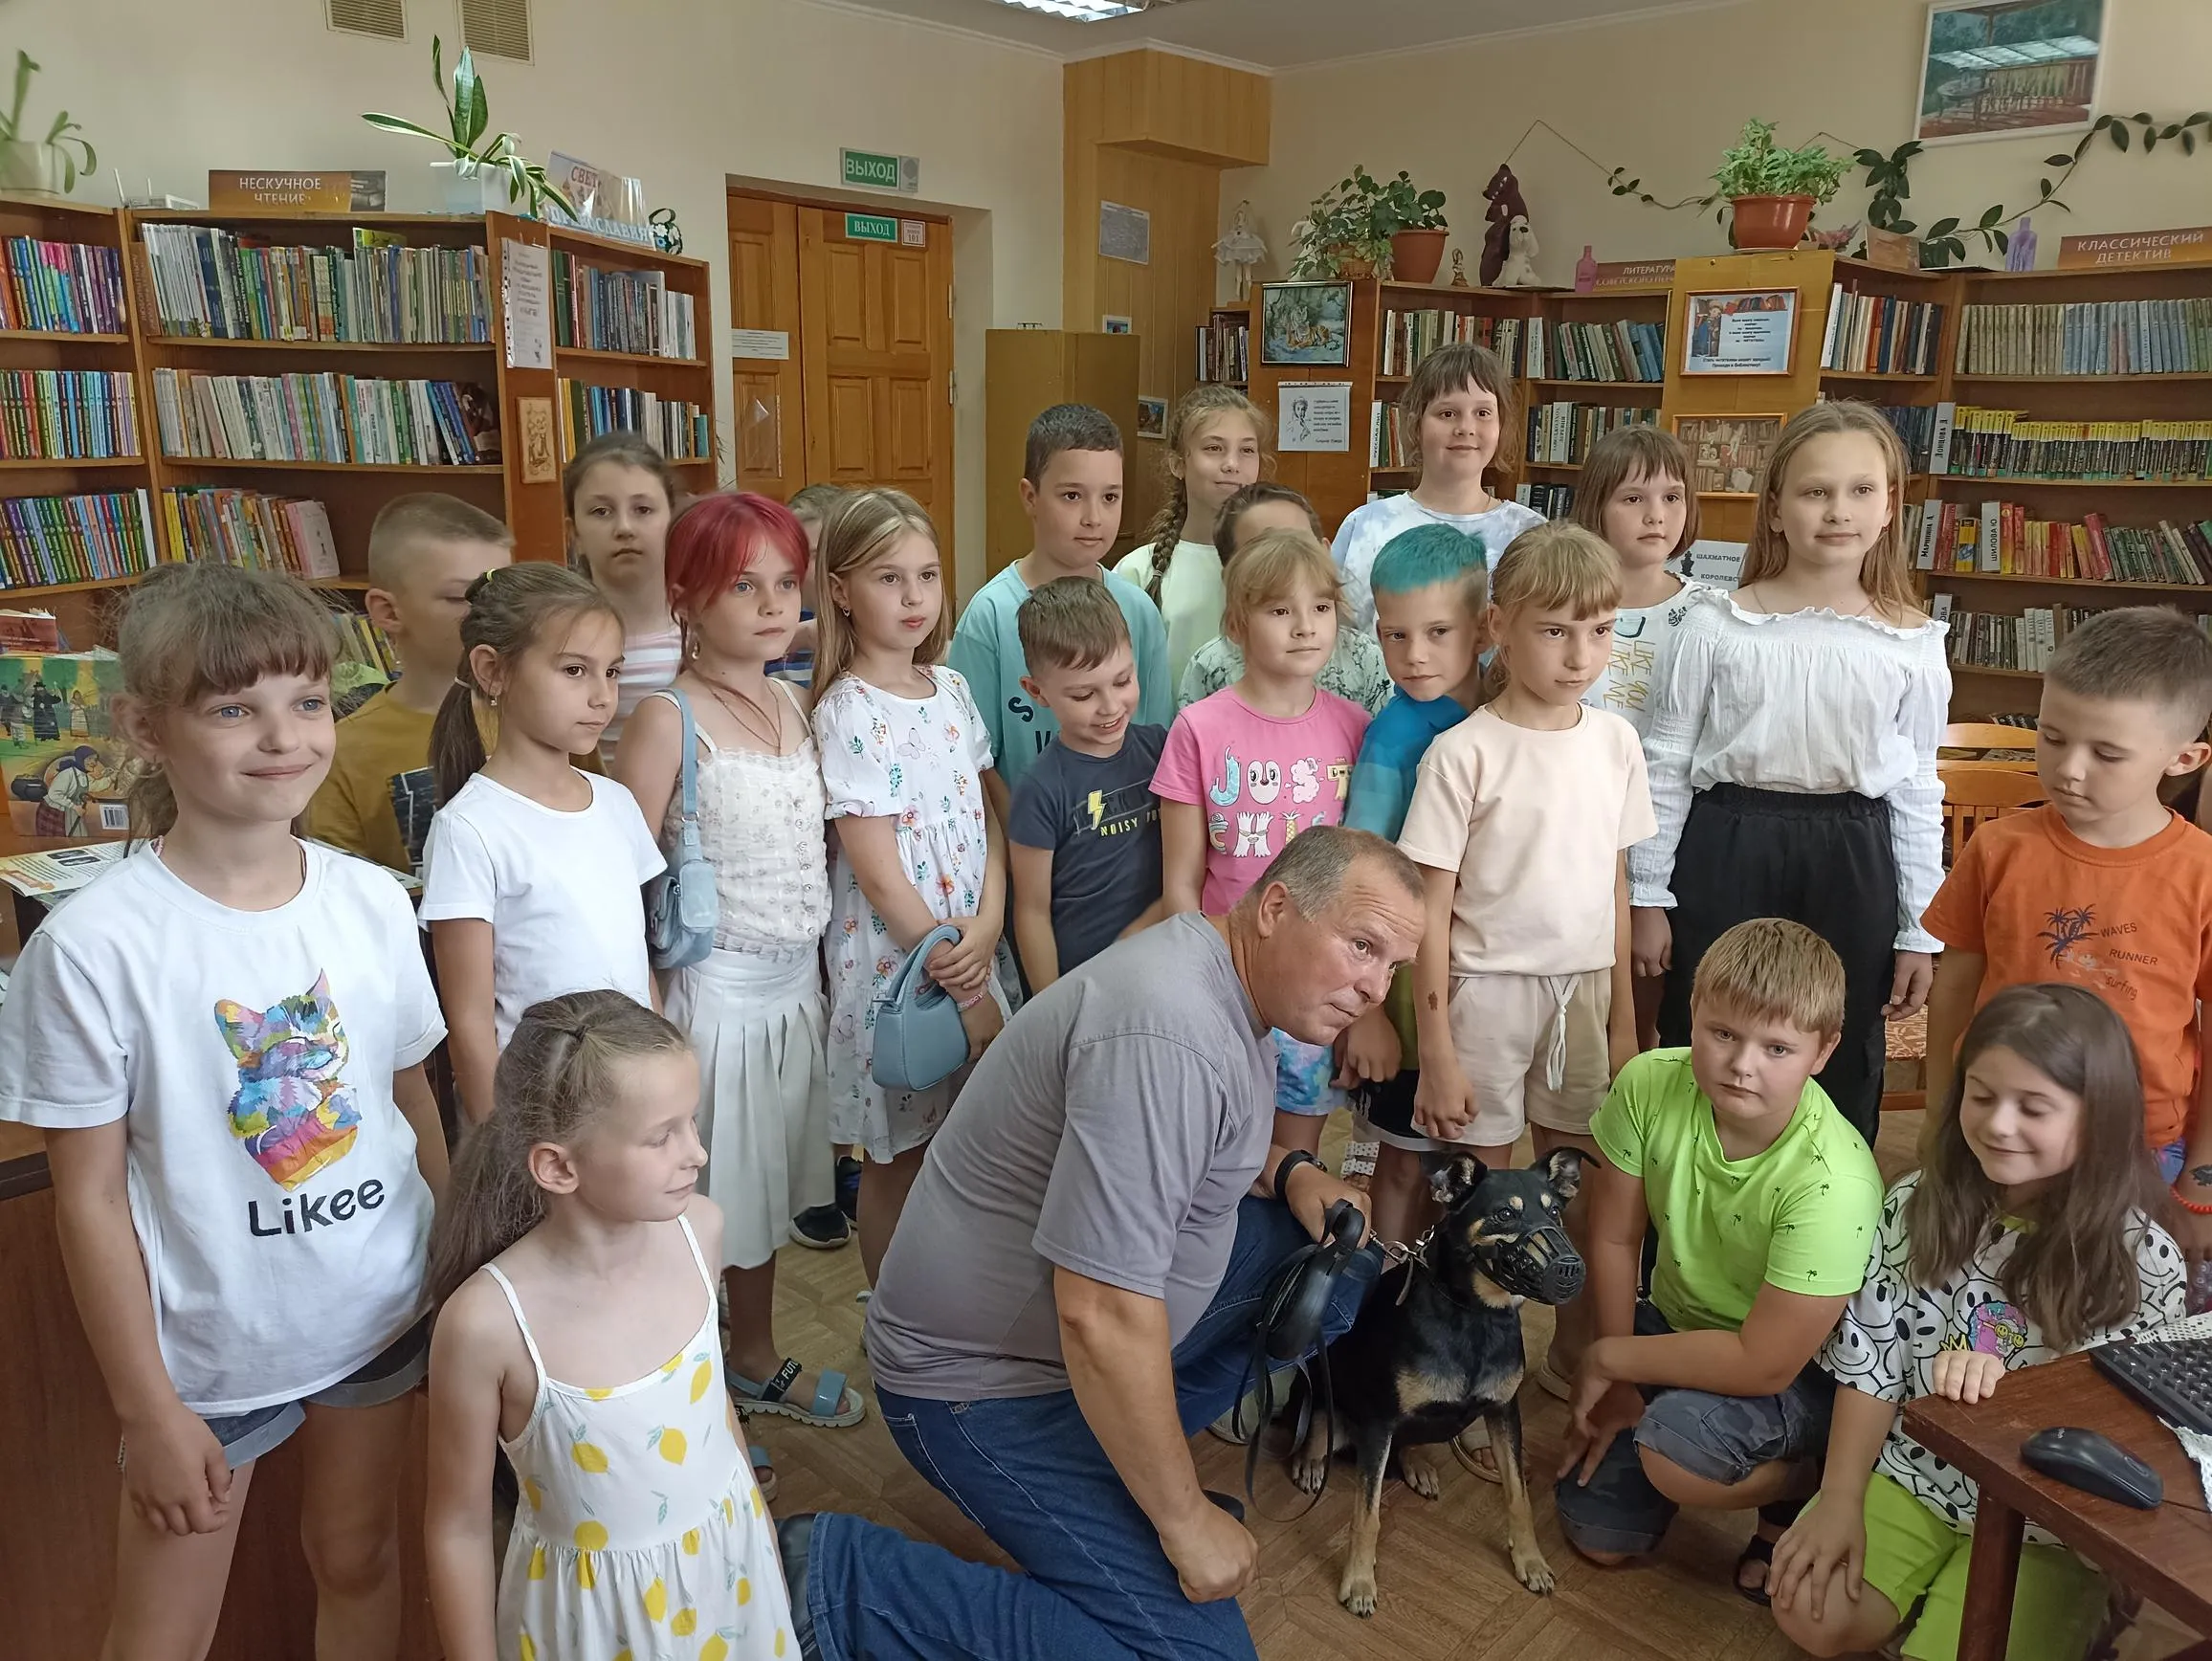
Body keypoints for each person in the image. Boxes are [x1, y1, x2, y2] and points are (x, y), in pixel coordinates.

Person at [779, 828, 1423, 1661]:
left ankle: (1117, 1467)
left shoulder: (1220, 977)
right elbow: (1100, 1313)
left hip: (1067, 1336)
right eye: (1362, 946)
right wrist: (1183, 1520)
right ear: (1274, 909)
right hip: (979, 1387)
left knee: (1341, 1268)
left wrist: (1293, 1169)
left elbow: (1184, 1144)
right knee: (1199, 1657)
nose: (1375, 989)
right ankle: (840, 1579)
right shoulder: (1169, 1030)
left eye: (1394, 967)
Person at [0, 563, 450, 1660]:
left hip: (380, 1312)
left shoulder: (371, 901)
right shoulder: (96, 945)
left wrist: (453, 1271)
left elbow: (408, 1099)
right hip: (204, 1356)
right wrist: (149, 1408)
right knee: (161, 1631)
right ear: (145, 728)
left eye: (308, 700)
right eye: (234, 708)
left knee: (358, 1556)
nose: (284, 736)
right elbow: (89, 1199)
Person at [1770, 985, 2188, 1661]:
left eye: (2034, 1108)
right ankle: (1927, 1600)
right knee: (1809, 1612)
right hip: (1915, 1476)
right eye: (1982, 1096)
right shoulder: (1915, 1203)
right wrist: (1840, 1497)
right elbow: (1870, 1365)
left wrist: (2015, 1403)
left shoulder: (2143, 1260)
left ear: (2100, 1117)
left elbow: (2126, 1436)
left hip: (2051, 1524)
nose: (1998, 1125)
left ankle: (2091, 1603)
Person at [423, 992, 796, 1661]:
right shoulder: (487, 1324)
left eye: (692, 1121)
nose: (698, 1152)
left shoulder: (701, 1233)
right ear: (559, 1166)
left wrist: (760, 1535)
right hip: (592, 1626)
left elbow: (715, 1405)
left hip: (730, 1584)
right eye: (662, 1136)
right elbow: (458, 1528)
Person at [1631, 401, 1950, 1143]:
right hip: (1727, 845)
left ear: (1889, 509)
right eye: (1815, 492)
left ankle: (1826, 1205)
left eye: (1860, 491)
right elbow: (1667, 762)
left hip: (1853, 856)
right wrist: (1648, 895)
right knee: (1711, 1028)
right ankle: (1688, 1199)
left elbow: (1916, 788)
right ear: (1775, 509)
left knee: (1841, 1041)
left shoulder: (1912, 643)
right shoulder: (1716, 624)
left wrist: (1919, 929)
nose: (1838, 510)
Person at [614, 492, 863, 1431]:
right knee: (699, 1200)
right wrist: (647, 1019)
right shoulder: (666, 717)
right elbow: (627, 878)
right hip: (709, 995)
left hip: (794, 988)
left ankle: (751, 1356)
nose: (772, 605)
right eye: (742, 586)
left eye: (786, 584)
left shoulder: (794, 702)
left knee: (763, 1192)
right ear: (685, 597)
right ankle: (693, 1390)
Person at [1391, 522, 1651, 1404]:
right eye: (1554, 631)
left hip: (1585, 994)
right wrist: (1438, 1050)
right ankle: (1464, 1379)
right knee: (1482, 1204)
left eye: (1600, 630)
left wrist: (1624, 1024)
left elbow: (1615, 884)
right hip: (1487, 994)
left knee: (1579, 1187)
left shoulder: (1615, 743)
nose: (1580, 656)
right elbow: (1429, 911)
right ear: (1499, 627)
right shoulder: (1464, 751)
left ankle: (1576, 1360)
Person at [1558, 918, 1884, 1602]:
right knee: (1599, 1538)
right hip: (1674, 1323)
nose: (1742, 1064)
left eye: (1777, 1047)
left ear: (1823, 1051)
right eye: (1723, 1033)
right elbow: (1614, 1238)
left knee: (1673, 1451)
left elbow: (1765, 1362)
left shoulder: (1836, 1181)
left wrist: (1610, 1358)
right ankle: (1674, 1431)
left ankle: (1810, 1478)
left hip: (1792, 1372)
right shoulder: (1648, 1083)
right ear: (1693, 1012)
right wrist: (1621, 1372)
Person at [1922, 607, 2212, 1252]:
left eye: (2106, 753)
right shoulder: (1998, 848)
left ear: (2184, 758)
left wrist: (2202, 1174)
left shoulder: (2202, 874)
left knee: (2119, 1298)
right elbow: (1955, 988)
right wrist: (1942, 1113)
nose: (2070, 769)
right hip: (1997, 1127)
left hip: (2141, 1147)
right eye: (2051, 738)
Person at [811, 488, 1010, 1285]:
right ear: (840, 591)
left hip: (970, 949)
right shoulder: (849, 710)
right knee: (900, 1157)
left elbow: (986, 822)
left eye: (926, 575)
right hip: (905, 969)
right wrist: (963, 983)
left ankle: (948, 1302)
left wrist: (989, 926)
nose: (913, 596)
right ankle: (893, 1319)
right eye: (888, 578)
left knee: (965, 1144)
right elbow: (882, 877)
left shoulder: (951, 688)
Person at [419, 565, 665, 1123]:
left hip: (630, 1095)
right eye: (574, 670)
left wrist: (664, 1076)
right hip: (541, 1109)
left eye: (612, 672)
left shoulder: (616, 804)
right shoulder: (470, 828)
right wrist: (498, 1147)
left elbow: (638, 965)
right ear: (493, 671)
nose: (602, 697)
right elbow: (470, 1023)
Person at [1156, 527, 1372, 1158]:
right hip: (1226, 981)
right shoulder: (1199, 728)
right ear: (1237, 624)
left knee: (1295, 1160)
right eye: (1280, 611)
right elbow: (1181, 880)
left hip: (1317, 987)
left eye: (1321, 608)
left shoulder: (1357, 727)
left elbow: (1365, 881)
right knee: (1212, 1152)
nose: (1305, 627)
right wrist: (1192, 987)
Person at [1339, 521, 1490, 1233]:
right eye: (1396, 636)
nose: (1415, 655)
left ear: (1483, 628)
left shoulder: (1500, 714)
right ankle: (1385, 1293)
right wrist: (1366, 1014)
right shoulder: (1394, 738)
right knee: (1404, 1161)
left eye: (1437, 633)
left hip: (1480, 975)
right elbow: (1359, 872)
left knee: (1458, 1159)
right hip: (1402, 989)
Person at [949, 403, 1174, 814]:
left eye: (1110, 497)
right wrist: (1019, 844)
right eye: (1072, 496)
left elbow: (1159, 743)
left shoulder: (1139, 610)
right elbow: (974, 763)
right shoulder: (990, 617)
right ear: (1030, 497)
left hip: (1127, 838)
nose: (1094, 518)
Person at [1573, 426, 1713, 1048]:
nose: (1656, 515)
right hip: (1577, 828)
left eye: (1671, 497)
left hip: (1670, 835)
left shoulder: (1710, 614)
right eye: (1633, 498)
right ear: (1596, 507)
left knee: (1645, 1003)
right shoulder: (1569, 606)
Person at [305, 493, 515, 874]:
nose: (495, 615)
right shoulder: (343, 752)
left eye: (505, 595)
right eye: (462, 597)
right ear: (388, 611)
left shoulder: (545, 711)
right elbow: (338, 884)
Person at [1006, 575, 1166, 991]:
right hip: (1084, 983)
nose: (1110, 706)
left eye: (1122, 681)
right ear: (1036, 691)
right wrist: (1049, 1005)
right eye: (1083, 696)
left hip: (1163, 964)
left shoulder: (1162, 749)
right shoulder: (1040, 788)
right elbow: (1032, 911)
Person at [1330, 342, 1544, 635]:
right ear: (1416, 424)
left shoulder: (1530, 534)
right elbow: (1335, 636)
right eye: (1447, 414)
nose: (1466, 427)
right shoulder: (1364, 526)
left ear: (1501, 426)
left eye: (1483, 413)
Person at [1179, 481, 1395, 715]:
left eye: (1300, 543)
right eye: (1264, 552)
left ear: (1325, 551)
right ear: (1232, 576)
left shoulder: (1364, 657)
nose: (1288, 559)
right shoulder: (1210, 667)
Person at [1115, 386, 1268, 685]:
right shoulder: (1138, 571)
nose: (1232, 464)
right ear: (1178, 464)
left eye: (1247, 450)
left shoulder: (1278, 563)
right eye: (1214, 448)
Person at [567, 432, 684, 762]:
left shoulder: (707, 625)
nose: (624, 528)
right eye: (601, 511)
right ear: (574, 534)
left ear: (673, 520)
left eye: (643, 509)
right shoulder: (556, 636)